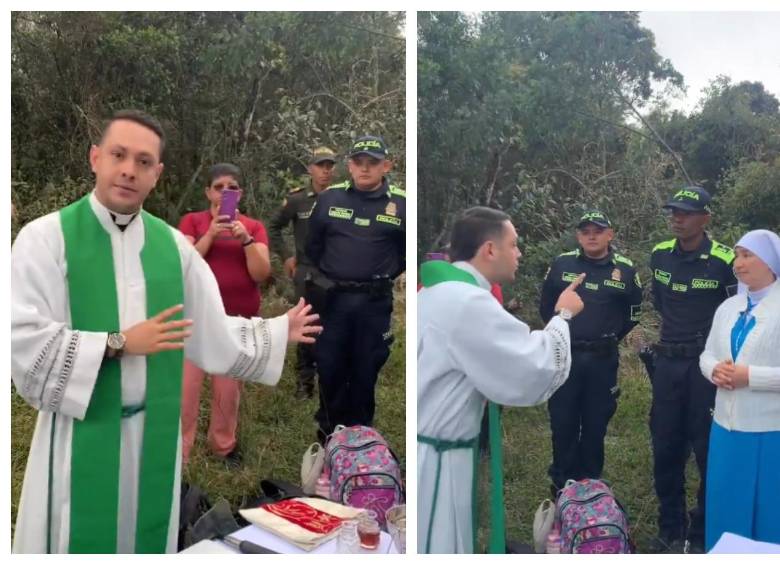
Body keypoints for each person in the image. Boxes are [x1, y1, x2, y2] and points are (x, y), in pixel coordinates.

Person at [10, 109, 321, 553]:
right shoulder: (46, 239)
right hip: (78, 436)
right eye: (118, 154)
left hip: (153, 434)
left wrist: (275, 331)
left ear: (157, 175)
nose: (128, 170)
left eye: (143, 162)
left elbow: (209, 329)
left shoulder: (173, 248)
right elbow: (22, 340)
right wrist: (118, 344)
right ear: (95, 157)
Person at [417, 206, 585, 554]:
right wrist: (564, 314)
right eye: (514, 244)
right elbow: (532, 363)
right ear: (489, 249)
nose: (519, 253)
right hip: (437, 460)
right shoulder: (467, 301)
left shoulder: (436, 290)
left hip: (432, 444)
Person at [648, 186, 738, 553]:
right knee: (666, 446)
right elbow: (658, 299)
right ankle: (670, 527)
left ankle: (701, 530)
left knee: (706, 448)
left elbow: (737, 313)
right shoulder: (659, 255)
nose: (677, 218)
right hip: (667, 363)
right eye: (673, 211)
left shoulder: (724, 260)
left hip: (707, 368)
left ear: (705, 219)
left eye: (685, 212)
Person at [305, 135, 405, 441]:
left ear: (386, 166)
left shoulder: (401, 203)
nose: (365, 169)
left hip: (373, 304)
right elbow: (312, 247)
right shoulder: (330, 199)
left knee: (365, 370)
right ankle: (328, 435)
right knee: (331, 367)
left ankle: (360, 439)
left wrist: (381, 274)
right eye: (359, 163)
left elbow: (404, 254)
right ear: (349, 166)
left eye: (372, 163)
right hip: (333, 301)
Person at [539, 210, 642, 495]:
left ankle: (591, 485)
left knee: (596, 423)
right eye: (586, 231)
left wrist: (608, 338)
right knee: (563, 421)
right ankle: (562, 484)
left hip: (602, 360)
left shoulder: (625, 269)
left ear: (610, 234)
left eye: (598, 230)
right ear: (578, 236)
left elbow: (633, 314)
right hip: (565, 357)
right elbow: (546, 306)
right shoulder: (562, 264)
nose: (592, 236)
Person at [178, 163, 271, 467]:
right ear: (208, 191)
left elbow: (261, 273)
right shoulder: (192, 222)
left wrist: (245, 240)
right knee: (185, 391)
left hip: (235, 323)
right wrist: (210, 234)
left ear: (240, 193)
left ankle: (223, 448)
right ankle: (181, 452)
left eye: (232, 188)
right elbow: (183, 266)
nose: (225, 193)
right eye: (219, 187)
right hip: (194, 322)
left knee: (227, 393)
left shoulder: (253, 227)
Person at [699, 229, 780, 551]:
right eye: (737, 255)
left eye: (748, 255)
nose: (738, 263)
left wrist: (752, 377)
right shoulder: (728, 308)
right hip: (725, 430)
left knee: (767, 511)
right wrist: (713, 370)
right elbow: (707, 354)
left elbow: (750, 374)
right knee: (725, 505)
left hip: (769, 433)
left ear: (771, 263)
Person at [268, 146, 337, 400]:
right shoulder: (298, 199)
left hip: (335, 272)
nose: (325, 171)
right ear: (310, 168)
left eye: (330, 166)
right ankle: (304, 383)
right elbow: (274, 227)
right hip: (306, 272)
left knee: (333, 327)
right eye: (321, 166)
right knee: (307, 326)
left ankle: (330, 380)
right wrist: (286, 256)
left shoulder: (341, 197)